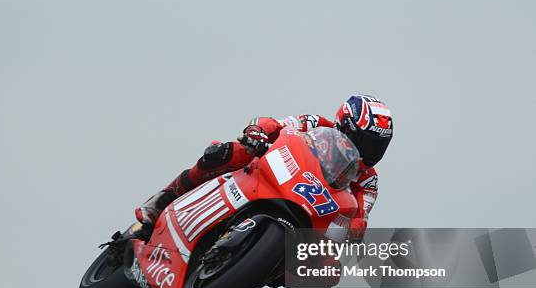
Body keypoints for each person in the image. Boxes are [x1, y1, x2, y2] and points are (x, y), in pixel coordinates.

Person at [134, 94, 393, 242]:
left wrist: (356, 227)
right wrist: (258, 131)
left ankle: (258, 264)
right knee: (225, 153)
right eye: (364, 141)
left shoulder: (368, 181)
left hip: (308, 214)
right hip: (276, 175)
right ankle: (162, 201)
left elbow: (361, 213)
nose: (367, 151)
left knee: (323, 278)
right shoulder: (316, 123)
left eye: (377, 145)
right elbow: (278, 124)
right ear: (343, 125)